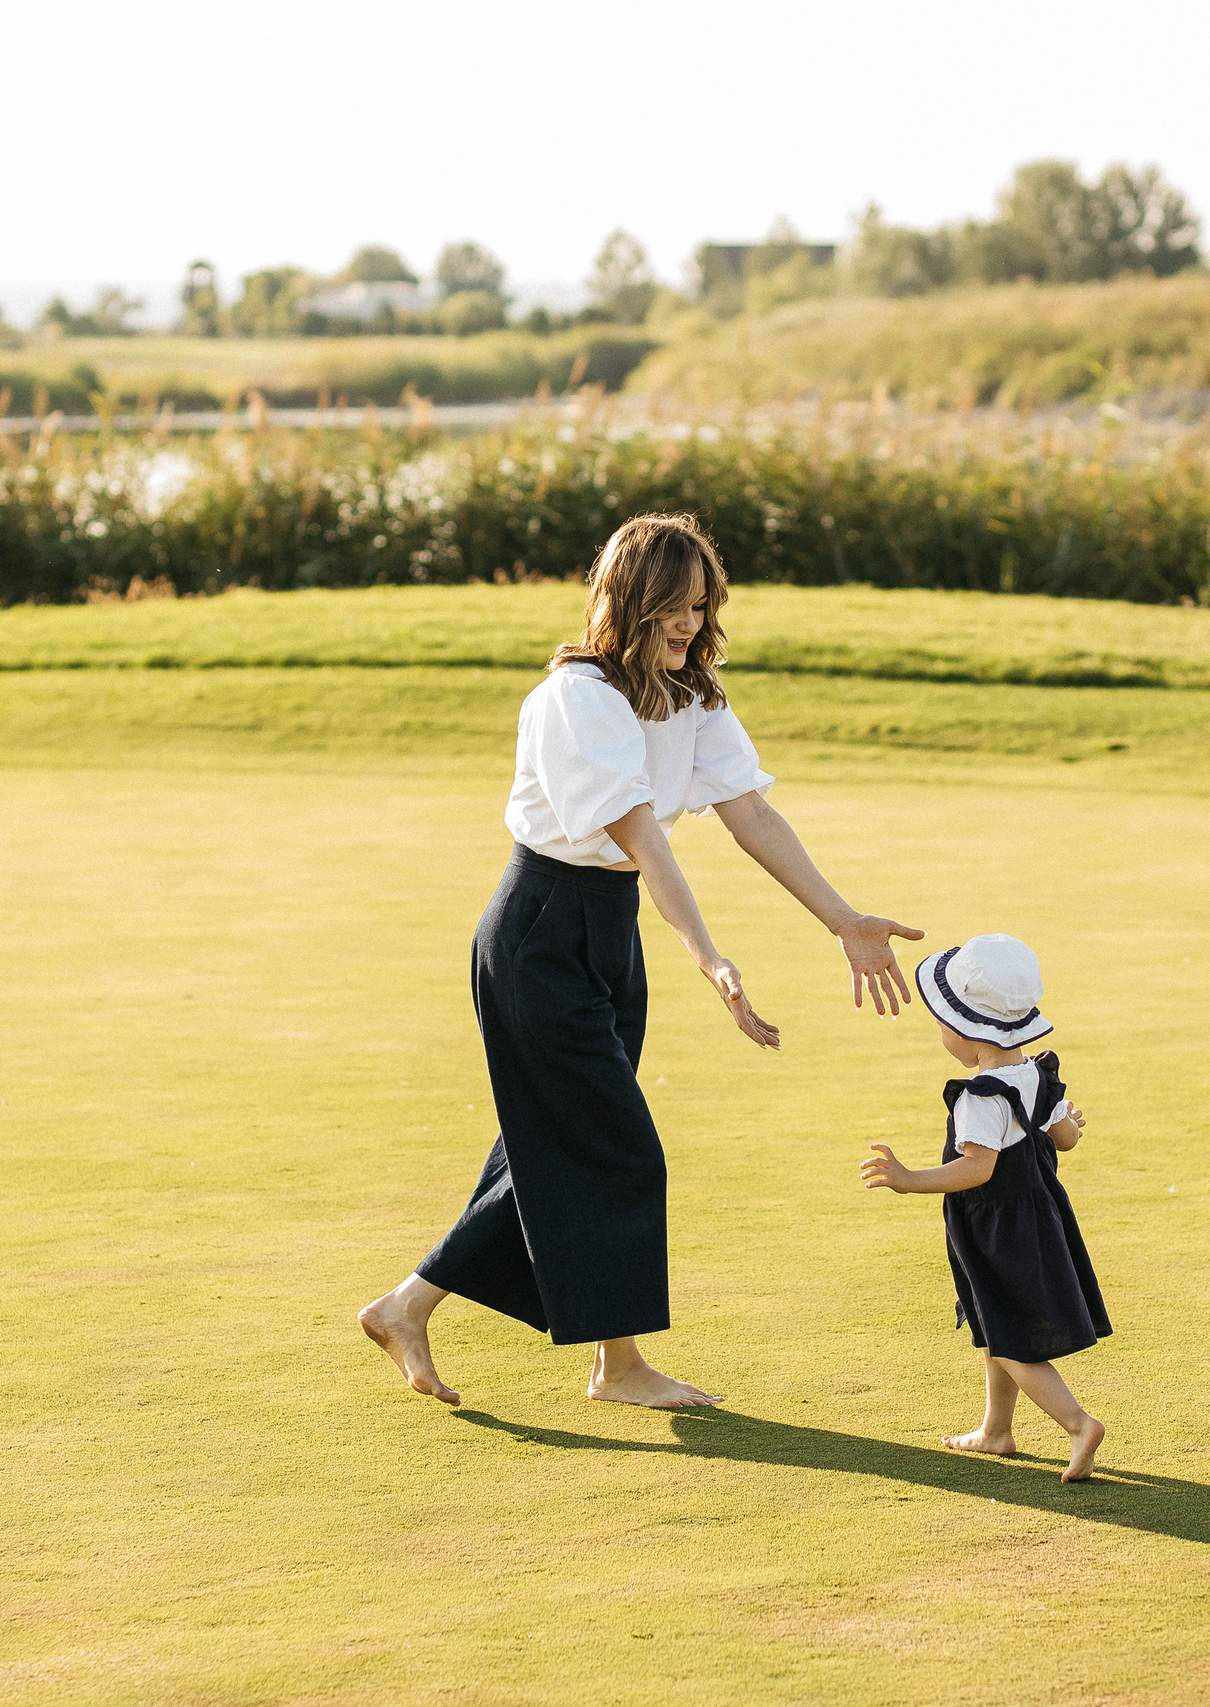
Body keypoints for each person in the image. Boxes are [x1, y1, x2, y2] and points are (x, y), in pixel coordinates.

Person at [360, 513, 923, 1411]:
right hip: (541, 930)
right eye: (674, 606)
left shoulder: (692, 695)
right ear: (629, 600)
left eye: (702, 606)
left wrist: (843, 918)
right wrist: (710, 957)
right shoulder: (577, 698)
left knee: (560, 1142)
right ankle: (617, 1367)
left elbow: (752, 817)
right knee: (617, 1150)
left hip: (607, 930)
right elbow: (645, 843)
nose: (691, 624)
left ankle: (406, 1305)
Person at [858, 931, 1111, 1482]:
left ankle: (1077, 1423)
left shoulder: (979, 1095)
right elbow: (1066, 1138)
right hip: (1040, 1216)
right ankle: (997, 1429)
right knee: (998, 1320)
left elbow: (976, 1168)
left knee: (1007, 1334)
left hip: (997, 1226)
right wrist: (1067, 1123)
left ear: (967, 1031)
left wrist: (908, 1179)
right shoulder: (1037, 1073)